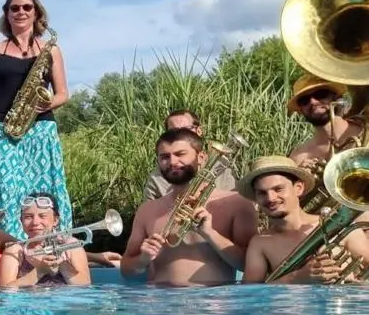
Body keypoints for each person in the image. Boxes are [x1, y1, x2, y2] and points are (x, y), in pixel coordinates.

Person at [0, 0, 73, 240]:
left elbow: (63, 93)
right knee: (5, 189)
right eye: (14, 8)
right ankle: (6, 247)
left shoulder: (51, 50)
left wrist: (48, 103)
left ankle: (51, 246)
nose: (21, 12)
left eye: (27, 7)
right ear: (6, 14)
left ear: (36, 12)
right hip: (3, 128)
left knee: (43, 191)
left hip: (41, 128)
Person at [120, 128, 258, 286]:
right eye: (165, 157)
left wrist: (210, 234)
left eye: (180, 154)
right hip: (160, 303)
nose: (172, 162)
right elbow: (127, 272)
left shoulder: (237, 203)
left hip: (214, 304)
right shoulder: (147, 210)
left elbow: (250, 266)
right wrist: (142, 259)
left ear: (201, 157)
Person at [240, 156, 369, 284]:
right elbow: (249, 294)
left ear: (298, 188)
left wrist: (354, 284)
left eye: (278, 189)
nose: (271, 198)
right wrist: (296, 277)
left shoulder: (340, 226)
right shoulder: (260, 243)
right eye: (262, 193)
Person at [1, 192, 91, 286]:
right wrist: (39, 271)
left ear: (55, 220)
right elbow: (5, 290)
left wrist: (62, 265)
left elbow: (84, 286)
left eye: (42, 216)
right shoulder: (14, 251)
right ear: (21, 221)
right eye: (28, 217)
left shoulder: (71, 246)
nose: (35, 222)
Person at [143, 109, 237, 200]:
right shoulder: (157, 178)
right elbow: (150, 212)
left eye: (186, 129)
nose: (181, 134)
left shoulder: (220, 164)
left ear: (199, 131)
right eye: (173, 131)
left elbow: (233, 200)